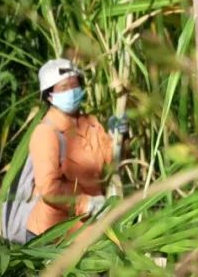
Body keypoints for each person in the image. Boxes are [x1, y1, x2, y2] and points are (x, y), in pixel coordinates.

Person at [25, 59, 124, 241]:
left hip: (89, 232)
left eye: (75, 85)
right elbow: (49, 189)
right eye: (64, 88)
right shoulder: (46, 132)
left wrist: (117, 136)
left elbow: (111, 163)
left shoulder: (91, 123)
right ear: (49, 96)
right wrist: (86, 204)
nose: (71, 91)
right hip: (53, 237)